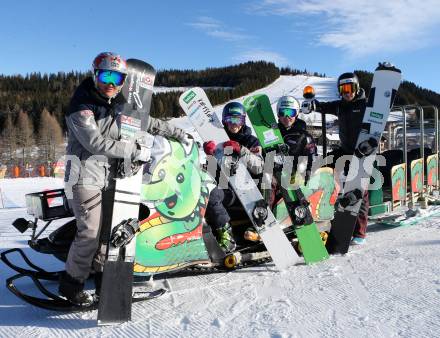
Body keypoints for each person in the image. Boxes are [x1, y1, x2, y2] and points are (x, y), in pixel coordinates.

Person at [61, 52, 189, 306]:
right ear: (95, 75)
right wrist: (133, 150)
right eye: (106, 75)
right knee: (90, 232)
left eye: (117, 77)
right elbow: (94, 142)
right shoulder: (81, 107)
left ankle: (101, 279)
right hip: (83, 176)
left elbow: (148, 123)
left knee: (109, 234)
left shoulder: (119, 105)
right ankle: (71, 284)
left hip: (110, 178)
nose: (111, 83)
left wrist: (179, 133)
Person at [308, 72, 369, 245]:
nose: (347, 92)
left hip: (361, 154)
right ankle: (319, 208)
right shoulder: (341, 106)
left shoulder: (366, 105)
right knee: (320, 166)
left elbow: (380, 111)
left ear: (357, 88)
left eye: (350, 88)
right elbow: (324, 107)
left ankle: (360, 232)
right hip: (344, 150)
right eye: (343, 89)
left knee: (359, 190)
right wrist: (313, 105)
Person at [203, 102, 264, 251]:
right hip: (228, 189)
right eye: (230, 120)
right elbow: (213, 171)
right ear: (224, 121)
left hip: (248, 191)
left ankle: (230, 237)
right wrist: (210, 155)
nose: (234, 124)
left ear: (243, 121)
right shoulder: (219, 141)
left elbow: (259, 166)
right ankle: (222, 231)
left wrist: (242, 150)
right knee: (209, 194)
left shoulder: (252, 141)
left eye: (238, 120)